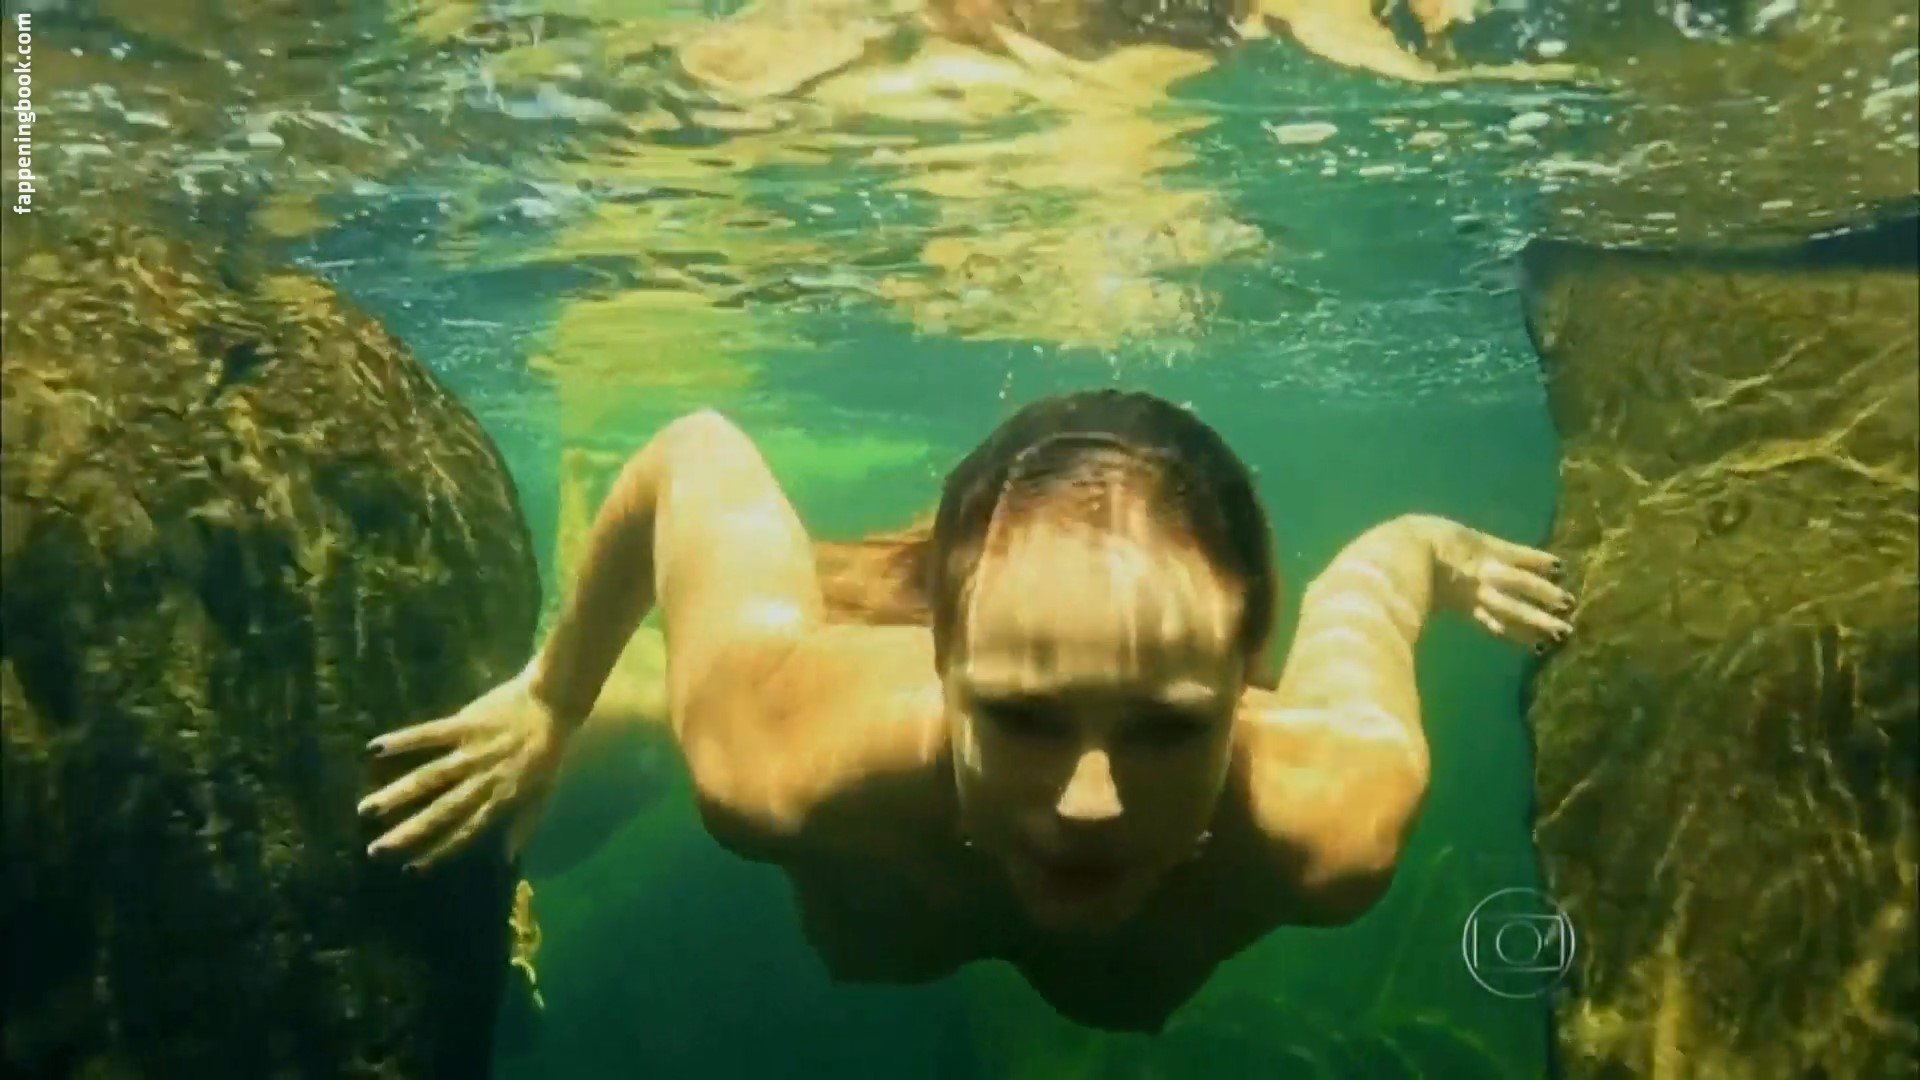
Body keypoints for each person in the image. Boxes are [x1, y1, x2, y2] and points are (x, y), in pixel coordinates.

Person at [357, 390, 1575, 1033]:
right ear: (939, 668)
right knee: (656, 714)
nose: (1089, 805)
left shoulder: (1331, 818)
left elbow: (1368, 595)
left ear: (1245, 686)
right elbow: (694, 454)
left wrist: (1429, 548)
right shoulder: (786, 747)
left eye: (1166, 727)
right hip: (847, 679)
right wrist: (554, 693)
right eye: (1023, 718)